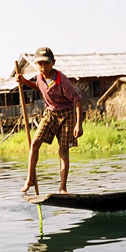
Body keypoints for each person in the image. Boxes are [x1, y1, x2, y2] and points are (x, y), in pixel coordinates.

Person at [17, 47, 83, 194]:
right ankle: (30, 180)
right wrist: (24, 81)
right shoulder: (40, 77)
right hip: (50, 113)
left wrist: (79, 124)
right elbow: (39, 87)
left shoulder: (61, 80)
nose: (42, 67)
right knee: (34, 143)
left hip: (67, 114)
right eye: (39, 64)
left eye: (46, 64)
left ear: (53, 63)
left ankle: (63, 187)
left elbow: (78, 100)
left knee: (63, 150)